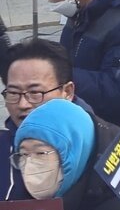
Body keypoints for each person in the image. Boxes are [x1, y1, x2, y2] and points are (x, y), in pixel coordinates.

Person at [1, 40, 80, 199]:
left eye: (35, 93)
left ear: (67, 91)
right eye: (14, 93)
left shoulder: (103, 146)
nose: (23, 104)